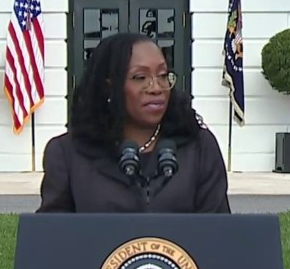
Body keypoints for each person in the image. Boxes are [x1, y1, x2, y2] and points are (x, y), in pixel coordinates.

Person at [37, 32, 230, 213]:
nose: (156, 88)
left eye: (163, 76)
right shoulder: (67, 153)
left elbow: (218, 229)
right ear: (109, 87)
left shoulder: (199, 147)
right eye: (140, 77)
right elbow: (53, 231)